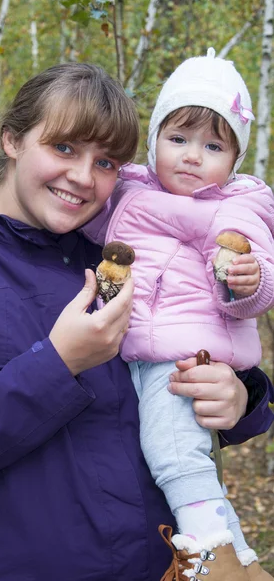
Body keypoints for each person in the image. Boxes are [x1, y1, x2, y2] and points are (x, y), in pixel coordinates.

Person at [0, 63, 272, 581]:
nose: (84, 177)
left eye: (106, 161)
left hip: (153, 566)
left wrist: (241, 398)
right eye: (64, 148)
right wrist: (58, 364)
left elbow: (156, 384)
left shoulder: (108, 253)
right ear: (13, 140)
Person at [82, 50, 274, 580]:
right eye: (179, 139)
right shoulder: (132, 189)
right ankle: (244, 565)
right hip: (137, 350)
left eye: (213, 146)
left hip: (184, 356)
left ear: (234, 160)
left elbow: (255, 284)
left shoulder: (233, 206)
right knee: (181, 460)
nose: (192, 157)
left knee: (173, 455)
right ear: (155, 141)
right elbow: (86, 224)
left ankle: (209, 557)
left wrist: (244, 280)